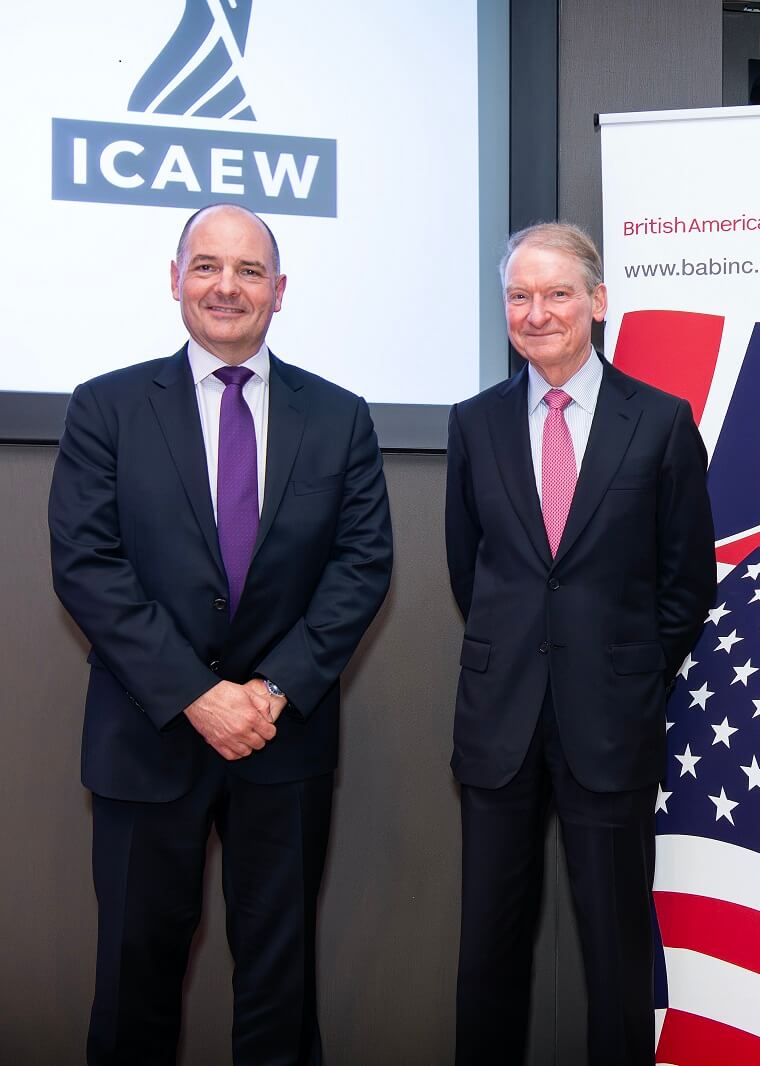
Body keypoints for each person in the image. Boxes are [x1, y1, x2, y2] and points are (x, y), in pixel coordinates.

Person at [49, 203, 394, 1064]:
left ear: (280, 292)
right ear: (174, 281)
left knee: (280, 987)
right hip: (147, 736)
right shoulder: (107, 407)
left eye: (248, 272)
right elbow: (88, 567)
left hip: (284, 744)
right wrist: (199, 696)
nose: (226, 287)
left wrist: (268, 693)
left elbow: (360, 570)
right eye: (206, 266)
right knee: (134, 982)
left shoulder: (340, 417)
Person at [445, 222, 716, 1065]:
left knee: (615, 953)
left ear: (598, 303)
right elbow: (471, 570)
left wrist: (625, 673)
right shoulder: (474, 423)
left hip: (612, 725)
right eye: (520, 296)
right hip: (500, 728)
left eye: (557, 293)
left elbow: (686, 582)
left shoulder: (663, 423)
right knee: (488, 951)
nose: (537, 312)